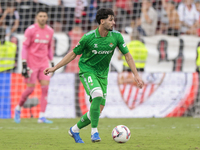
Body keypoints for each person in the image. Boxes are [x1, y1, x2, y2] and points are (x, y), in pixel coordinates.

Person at [44, 8, 144, 143]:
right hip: (87, 70)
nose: (113, 22)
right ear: (102, 21)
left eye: (114, 19)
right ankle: (94, 132)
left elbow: (128, 56)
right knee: (97, 94)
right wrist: (55, 68)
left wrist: (136, 75)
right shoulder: (88, 37)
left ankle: (74, 130)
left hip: (103, 75)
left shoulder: (116, 37)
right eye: (111, 20)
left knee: (96, 111)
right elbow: (73, 53)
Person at [14, 9, 54, 124]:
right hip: (32, 64)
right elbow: (25, 47)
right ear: (37, 17)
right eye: (40, 16)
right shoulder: (30, 30)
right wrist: (24, 62)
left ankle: (41, 116)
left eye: (44, 16)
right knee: (30, 89)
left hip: (44, 64)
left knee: (45, 89)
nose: (42, 18)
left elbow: (50, 47)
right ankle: (18, 108)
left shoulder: (50, 31)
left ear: (47, 18)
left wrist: (51, 62)